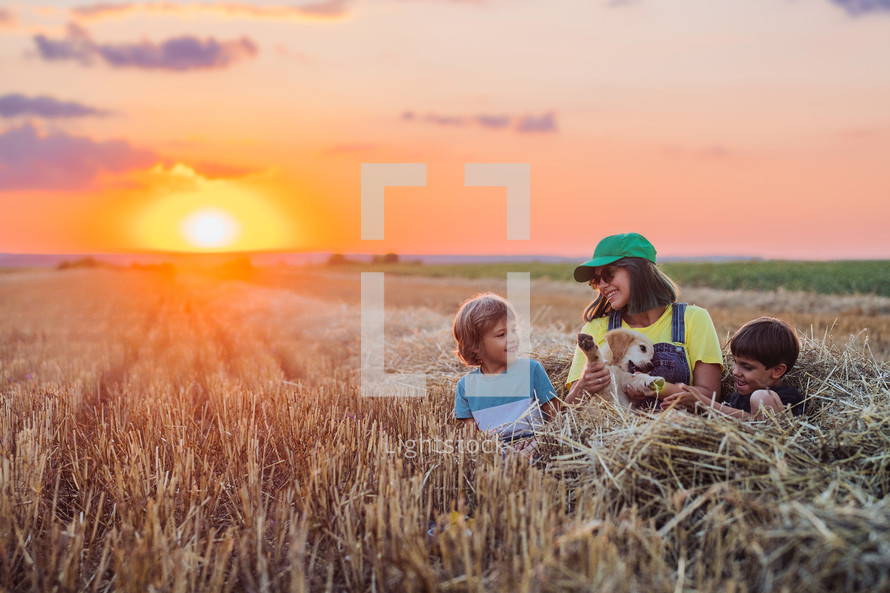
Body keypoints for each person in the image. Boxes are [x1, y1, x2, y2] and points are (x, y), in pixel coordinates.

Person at [565, 232, 723, 407]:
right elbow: (570, 411)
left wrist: (652, 386)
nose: (601, 285)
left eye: (608, 274)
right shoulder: (593, 331)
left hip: (674, 429)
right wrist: (582, 387)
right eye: (595, 280)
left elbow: (711, 396)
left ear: (638, 270)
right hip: (617, 433)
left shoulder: (693, 319)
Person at [452, 293, 558, 449]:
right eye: (501, 334)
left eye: (514, 330)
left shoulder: (531, 370)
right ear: (475, 346)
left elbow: (556, 420)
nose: (513, 338)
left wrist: (536, 445)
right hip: (494, 454)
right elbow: (473, 440)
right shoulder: (465, 387)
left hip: (537, 448)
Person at [661, 317, 803, 418]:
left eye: (747, 367)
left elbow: (761, 427)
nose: (735, 371)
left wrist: (704, 403)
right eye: (735, 361)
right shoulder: (733, 399)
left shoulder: (787, 397)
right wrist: (691, 408)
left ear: (777, 371)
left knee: (762, 397)